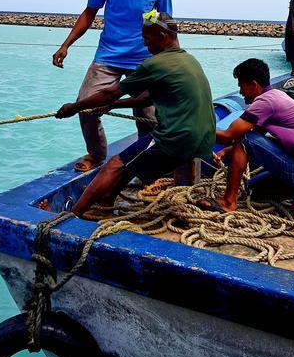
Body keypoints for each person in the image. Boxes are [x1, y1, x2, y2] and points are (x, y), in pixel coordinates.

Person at [55, 12, 216, 218]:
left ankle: (71, 216)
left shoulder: (156, 64)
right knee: (130, 161)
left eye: (148, 40)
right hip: (204, 141)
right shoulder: (189, 59)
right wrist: (113, 106)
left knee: (114, 165)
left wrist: (75, 107)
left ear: (162, 35)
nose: (146, 46)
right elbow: (146, 99)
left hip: (176, 139)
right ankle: (106, 201)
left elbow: (109, 92)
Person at [52, 0, 172, 172]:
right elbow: (89, 12)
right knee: (86, 106)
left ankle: (148, 162)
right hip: (108, 55)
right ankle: (96, 155)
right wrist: (65, 45)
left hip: (145, 59)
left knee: (149, 117)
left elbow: (167, 23)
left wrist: (173, 61)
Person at [210, 58, 294, 224]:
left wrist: (197, 132)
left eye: (241, 86)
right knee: (254, 189)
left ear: (254, 84)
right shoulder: (276, 95)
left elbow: (229, 135)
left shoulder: (265, 102)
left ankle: (228, 202)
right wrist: (226, 151)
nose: (240, 91)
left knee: (245, 137)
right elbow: (259, 135)